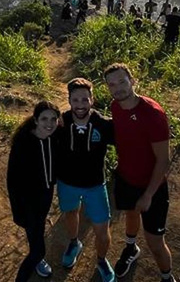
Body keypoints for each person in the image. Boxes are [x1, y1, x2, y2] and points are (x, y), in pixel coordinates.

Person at [103, 64, 176, 282]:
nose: (118, 88)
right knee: (131, 214)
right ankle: (131, 248)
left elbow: (164, 160)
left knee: (155, 242)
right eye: (112, 85)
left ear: (132, 81)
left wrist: (148, 195)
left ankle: (167, 277)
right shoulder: (115, 107)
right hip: (126, 178)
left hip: (151, 187)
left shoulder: (152, 114)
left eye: (122, 81)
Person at [56, 78, 116, 282]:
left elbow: (128, 142)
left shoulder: (104, 125)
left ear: (92, 100)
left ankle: (101, 260)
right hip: (67, 183)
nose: (80, 104)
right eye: (75, 100)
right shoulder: (60, 122)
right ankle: (74, 243)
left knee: (102, 227)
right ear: (69, 100)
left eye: (84, 99)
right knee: (71, 213)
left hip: (95, 185)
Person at [7, 101, 61, 281]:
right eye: (44, 119)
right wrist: (19, 211)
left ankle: (37, 257)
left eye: (53, 119)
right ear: (36, 120)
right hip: (27, 203)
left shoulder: (53, 136)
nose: (49, 123)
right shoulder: (23, 144)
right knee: (38, 250)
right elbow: (12, 182)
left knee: (38, 229)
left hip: (45, 196)